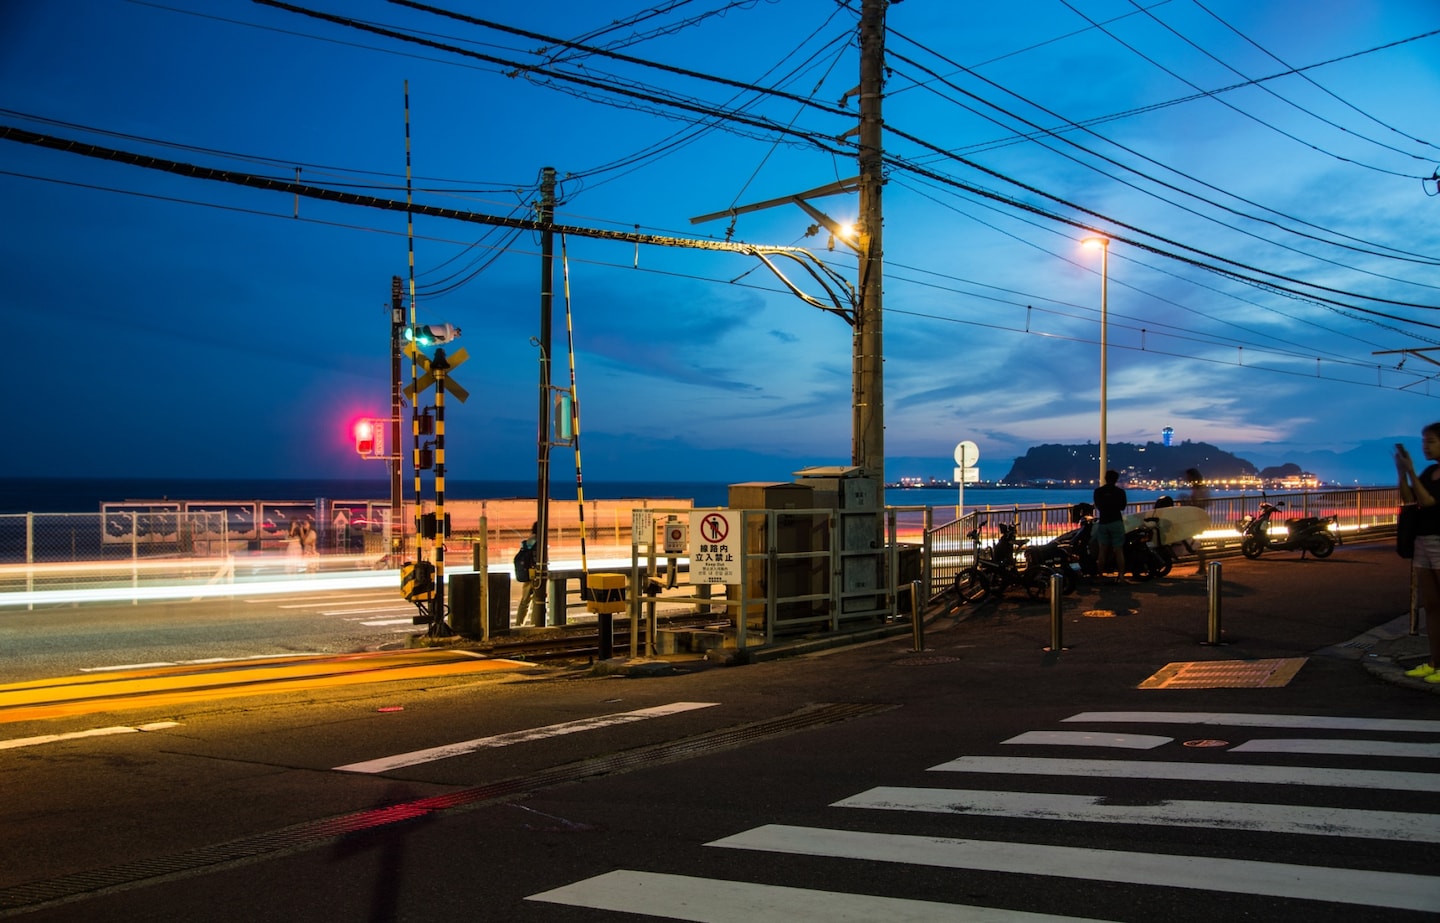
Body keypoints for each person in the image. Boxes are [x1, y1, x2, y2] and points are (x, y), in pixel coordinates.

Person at [1397, 424, 1440, 683]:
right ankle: (1435, 662)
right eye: (1424, 441)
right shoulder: (1430, 471)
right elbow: (1410, 499)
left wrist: (1411, 470)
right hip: (1423, 542)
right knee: (1432, 607)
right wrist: (1402, 473)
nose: (1425, 446)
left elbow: (1429, 501)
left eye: (1431, 441)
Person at [1092, 469, 1128, 584]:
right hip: (1116, 521)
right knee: (1119, 550)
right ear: (1116, 480)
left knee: (1102, 550)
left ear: (1105, 478)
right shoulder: (1120, 492)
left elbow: (1098, 506)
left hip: (1103, 522)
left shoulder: (1098, 491)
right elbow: (1122, 507)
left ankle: (1100, 576)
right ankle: (1121, 577)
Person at [514, 522, 539, 626]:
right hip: (534, 573)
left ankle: (519, 624)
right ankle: (536, 623)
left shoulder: (531, 539)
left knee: (526, 600)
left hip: (529, 572)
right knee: (536, 600)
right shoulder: (536, 539)